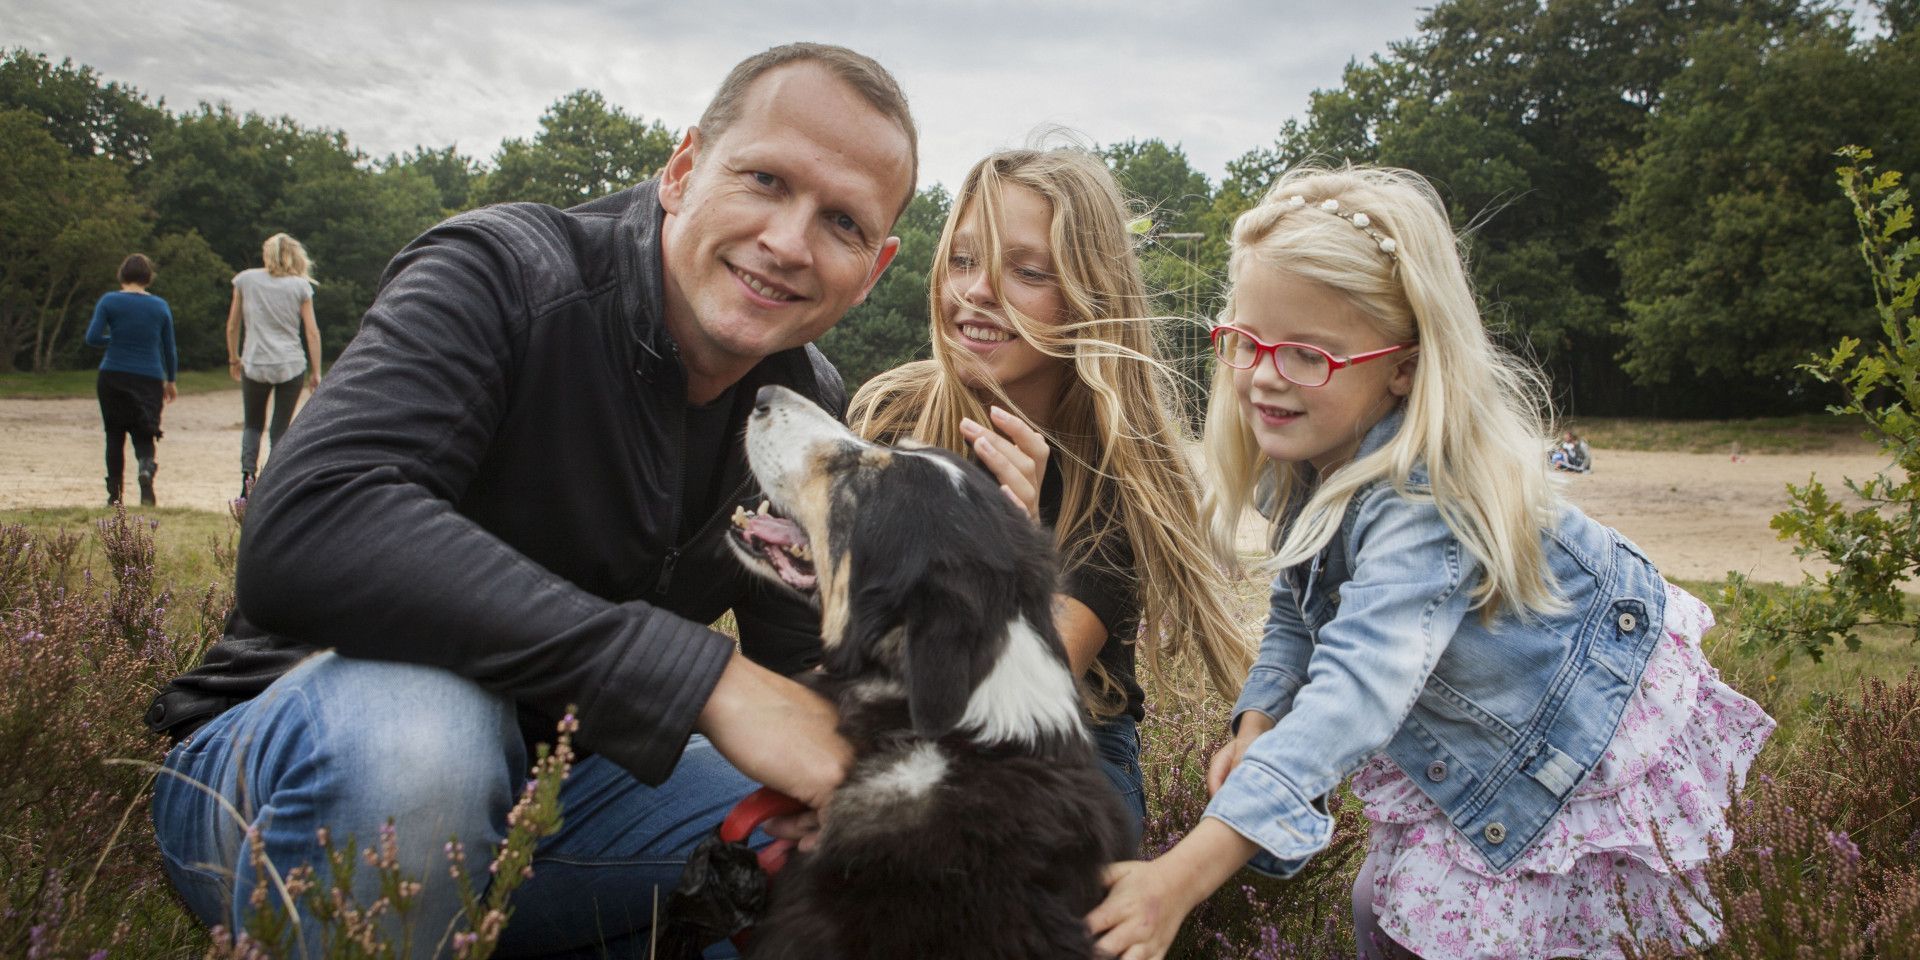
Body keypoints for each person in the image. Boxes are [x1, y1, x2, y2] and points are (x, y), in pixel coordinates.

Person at [143, 43, 916, 957]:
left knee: (880, 832)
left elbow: (806, 673)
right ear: (681, 170)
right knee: (427, 738)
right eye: (763, 179)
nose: (788, 242)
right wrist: (696, 676)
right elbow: (311, 522)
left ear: (874, 269)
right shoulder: (502, 273)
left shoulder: (801, 404)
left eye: (841, 223)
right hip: (304, 769)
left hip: (568, 793)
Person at [1086, 166, 1775, 960]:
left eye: (1308, 354)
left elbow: (1357, 687)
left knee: (1445, 926)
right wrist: (1261, 720)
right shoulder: (1308, 453)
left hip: (1573, 741)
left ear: (1404, 366)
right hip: (1484, 733)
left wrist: (1181, 877)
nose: (1266, 375)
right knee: (1383, 911)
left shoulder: (1425, 502)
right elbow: (1297, 608)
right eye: (1246, 342)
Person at [848, 147, 1250, 847]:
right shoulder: (891, 417)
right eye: (964, 260)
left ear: (1088, 296)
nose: (975, 291)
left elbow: (1010, 707)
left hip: (1071, 749)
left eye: (1026, 272)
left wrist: (1012, 542)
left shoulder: (1124, 477)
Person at [227, 233, 325, 499]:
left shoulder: (246, 280)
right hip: (290, 364)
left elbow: (234, 323)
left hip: (255, 361)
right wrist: (316, 372)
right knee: (280, 428)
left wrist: (234, 357)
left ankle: (247, 479)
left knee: (253, 424)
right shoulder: (300, 286)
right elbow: (312, 332)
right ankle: (273, 484)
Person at [85, 253, 177, 506]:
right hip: (149, 377)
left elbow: (92, 338)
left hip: (112, 374)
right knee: (145, 432)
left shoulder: (109, 301)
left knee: (114, 434)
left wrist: (114, 339)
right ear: (149, 277)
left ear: (122, 274)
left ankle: (115, 496)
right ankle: (146, 474)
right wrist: (171, 380)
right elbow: (169, 348)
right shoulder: (160, 306)